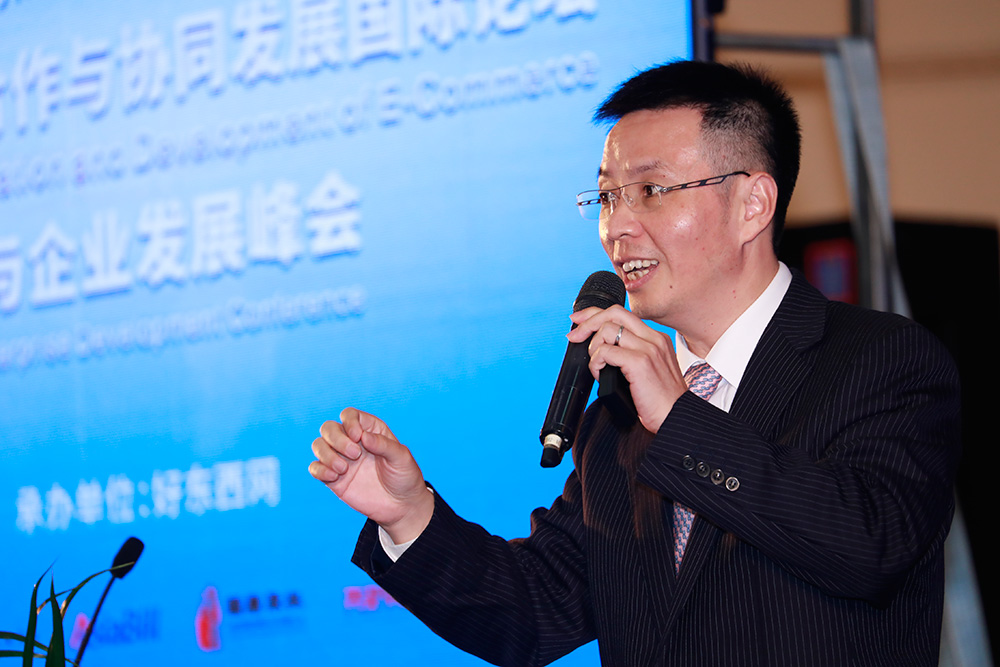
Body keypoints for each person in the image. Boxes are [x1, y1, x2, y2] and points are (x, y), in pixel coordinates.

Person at [308, 60, 961, 666]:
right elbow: (535, 608)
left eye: (650, 190)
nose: (617, 227)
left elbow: (873, 545)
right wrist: (408, 516)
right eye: (606, 197)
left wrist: (680, 421)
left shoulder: (882, 361)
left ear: (753, 205)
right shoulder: (616, 422)